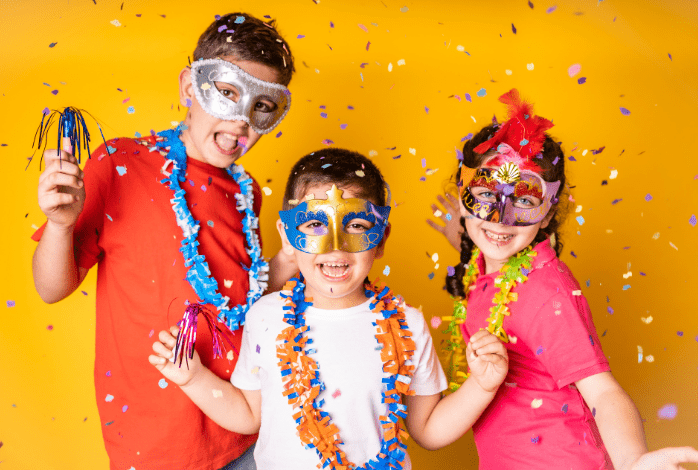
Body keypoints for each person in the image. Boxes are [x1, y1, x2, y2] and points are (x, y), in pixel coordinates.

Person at [32, 12, 298, 470]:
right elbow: (51, 288)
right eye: (227, 93)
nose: (240, 122)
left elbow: (241, 294)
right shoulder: (120, 164)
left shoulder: (246, 189)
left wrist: (289, 261)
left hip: (246, 427)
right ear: (189, 87)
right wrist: (59, 225)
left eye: (260, 108)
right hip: (156, 445)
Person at [149, 148, 510, 469]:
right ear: (289, 235)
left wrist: (481, 387)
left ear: (381, 238)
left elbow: (428, 430)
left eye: (356, 226)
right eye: (314, 224)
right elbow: (247, 415)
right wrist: (193, 378)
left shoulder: (407, 324)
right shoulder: (266, 316)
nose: (335, 248)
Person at [438, 88, 698, 469]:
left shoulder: (545, 292)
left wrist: (632, 460)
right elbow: (486, 256)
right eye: (484, 197)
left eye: (524, 201)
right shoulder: (488, 260)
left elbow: (602, 391)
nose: (500, 218)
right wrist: (463, 234)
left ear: (547, 214)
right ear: (462, 196)